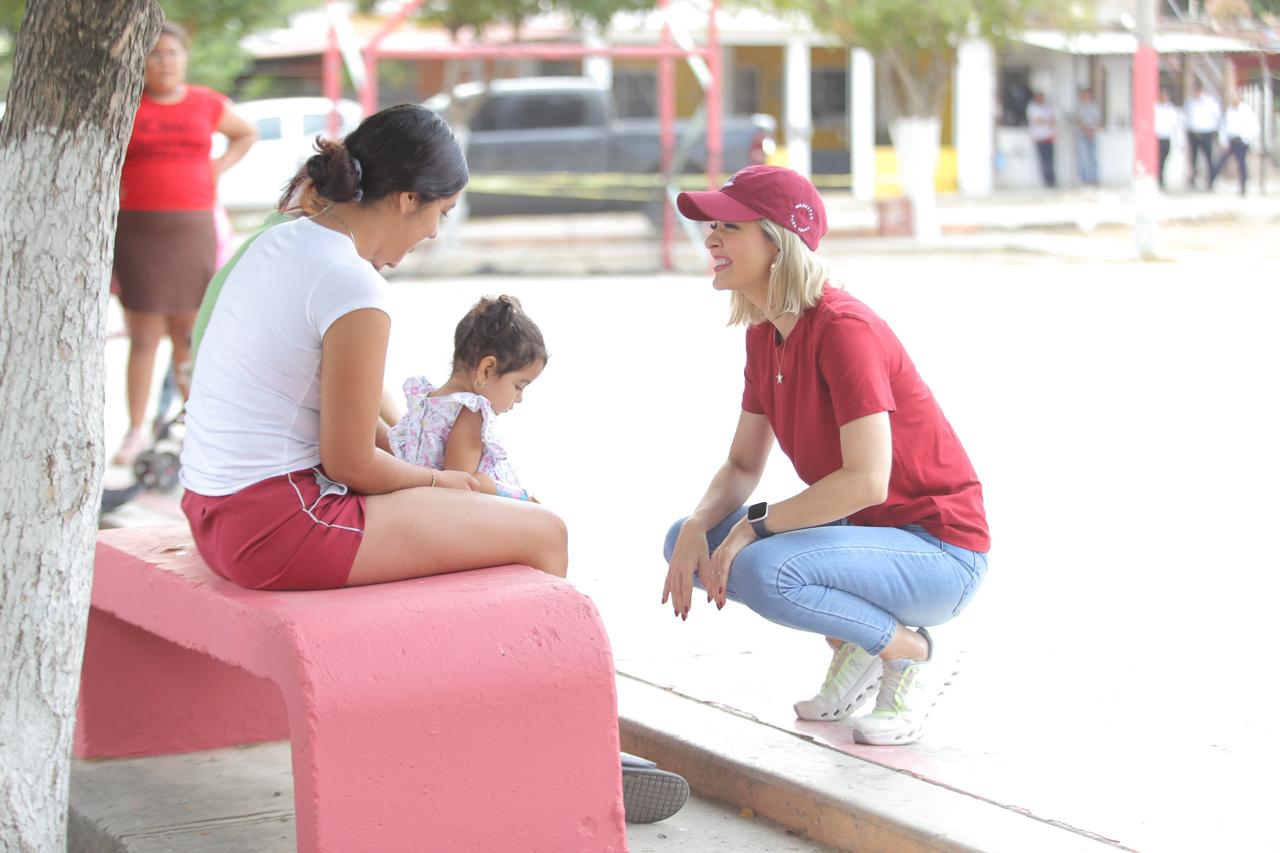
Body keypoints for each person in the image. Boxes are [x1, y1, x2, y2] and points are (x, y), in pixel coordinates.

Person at [178, 103, 569, 591]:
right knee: (545, 531)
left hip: (211, 511)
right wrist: (439, 483)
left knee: (488, 507)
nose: (432, 233)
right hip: (277, 528)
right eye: (440, 213)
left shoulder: (276, 241)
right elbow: (352, 464)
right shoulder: (353, 284)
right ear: (408, 198)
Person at [661, 165, 989, 746]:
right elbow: (741, 466)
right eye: (712, 226)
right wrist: (700, 522)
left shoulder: (844, 329)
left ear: (777, 240)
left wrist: (755, 530)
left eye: (728, 226)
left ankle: (904, 651)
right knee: (688, 542)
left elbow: (866, 480)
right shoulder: (764, 335)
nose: (711, 239)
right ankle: (861, 645)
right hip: (863, 536)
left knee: (764, 567)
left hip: (938, 552)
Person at [111, 22, 256, 465]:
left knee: (189, 337)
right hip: (138, 231)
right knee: (143, 337)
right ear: (142, 60)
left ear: (184, 57)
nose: (164, 62)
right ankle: (136, 431)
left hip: (192, 227)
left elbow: (245, 133)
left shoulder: (206, 102)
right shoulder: (125, 104)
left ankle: (197, 430)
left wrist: (216, 167)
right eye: (155, 54)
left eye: (172, 53)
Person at [388, 295, 546, 501]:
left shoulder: (427, 402)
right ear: (486, 370)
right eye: (519, 386)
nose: (519, 399)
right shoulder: (472, 411)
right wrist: (521, 496)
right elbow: (464, 481)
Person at [1209, 93, 1259, 196]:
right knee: (1220, 161)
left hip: (1242, 141)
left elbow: (1254, 126)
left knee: (1241, 164)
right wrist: (1224, 141)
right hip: (1231, 141)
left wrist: (1248, 139)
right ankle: (1211, 181)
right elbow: (1224, 127)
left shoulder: (1246, 111)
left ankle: (1243, 186)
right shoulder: (1229, 111)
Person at [1184, 82, 1221, 190]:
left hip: (1206, 132)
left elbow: (1217, 116)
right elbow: (1186, 117)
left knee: (1208, 158)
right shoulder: (1190, 102)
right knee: (1193, 158)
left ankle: (1210, 180)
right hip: (1194, 132)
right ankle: (1193, 180)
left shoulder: (1209, 102)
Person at [1025, 91, 1057, 188]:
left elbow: (1053, 120)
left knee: (1050, 160)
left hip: (1049, 137)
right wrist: (1046, 120)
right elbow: (1036, 120)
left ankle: (1052, 180)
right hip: (1039, 137)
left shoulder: (1048, 107)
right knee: (1043, 160)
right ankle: (1046, 181)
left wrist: (1052, 132)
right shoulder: (1032, 107)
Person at [1072, 88, 1101, 186]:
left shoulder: (1094, 106)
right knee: (1083, 157)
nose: (1086, 96)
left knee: (1092, 157)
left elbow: (1097, 119)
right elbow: (1078, 120)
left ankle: (1093, 178)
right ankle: (1084, 179)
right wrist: (1086, 130)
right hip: (1082, 135)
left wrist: (1092, 131)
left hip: (1092, 135)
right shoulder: (1079, 107)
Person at [1154, 88, 1181, 190]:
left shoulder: (1171, 109)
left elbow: (1175, 126)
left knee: (1163, 159)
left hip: (1166, 137)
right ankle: (1158, 179)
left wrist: (1179, 140)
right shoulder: (1155, 107)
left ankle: (1161, 177)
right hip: (1157, 138)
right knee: (1158, 159)